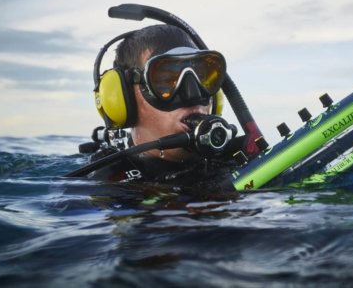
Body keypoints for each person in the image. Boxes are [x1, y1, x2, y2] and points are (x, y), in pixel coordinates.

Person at [87, 24, 240, 190]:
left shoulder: (238, 160)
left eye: (203, 77)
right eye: (166, 81)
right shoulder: (109, 184)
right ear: (124, 99)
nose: (193, 95)